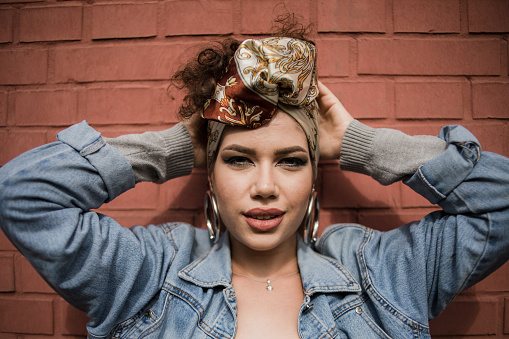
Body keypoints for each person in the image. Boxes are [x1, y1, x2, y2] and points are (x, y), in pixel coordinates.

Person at [0, 30, 508, 339]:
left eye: (290, 161)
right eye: (239, 160)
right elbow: (22, 194)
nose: (265, 186)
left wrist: (359, 142)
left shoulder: (384, 273)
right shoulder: (149, 272)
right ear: (211, 176)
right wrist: (177, 147)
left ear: (314, 178)